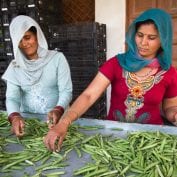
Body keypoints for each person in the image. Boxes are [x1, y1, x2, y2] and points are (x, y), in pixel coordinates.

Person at [44, 8, 177, 151]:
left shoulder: (168, 72)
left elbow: (170, 107)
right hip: (114, 137)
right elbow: (89, 95)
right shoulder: (117, 63)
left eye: (151, 38)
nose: (143, 42)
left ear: (163, 39)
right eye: (140, 35)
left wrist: (175, 114)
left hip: (150, 140)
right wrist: (65, 122)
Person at [1, 15, 72, 137]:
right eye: (19, 40)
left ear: (37, 36)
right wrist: (14, 116)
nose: (24, 44)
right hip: (28, 125)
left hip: (56, 122)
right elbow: (12, 98)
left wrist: (58, 109)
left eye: (27, 37)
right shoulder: (15, 67)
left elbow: (66, 91)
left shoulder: (57, 59)